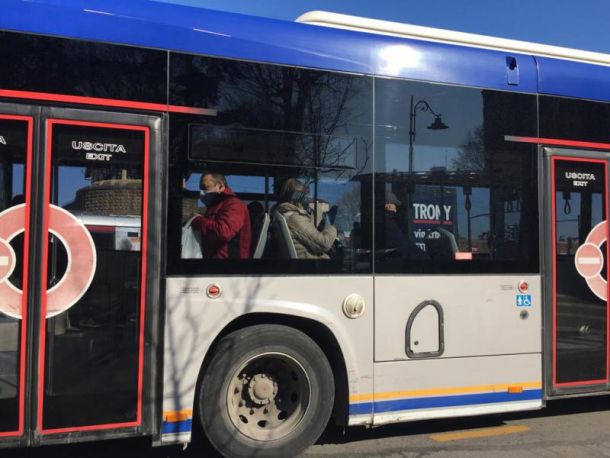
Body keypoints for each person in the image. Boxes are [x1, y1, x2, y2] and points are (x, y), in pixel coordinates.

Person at [190, 173, 251, 259]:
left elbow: (223, 232)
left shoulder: (234, 204)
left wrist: (198, 220)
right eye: (201, 188)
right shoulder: (215, 206)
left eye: (205, 188)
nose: (202, 192)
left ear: (221, 187)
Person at [274, 178, 337, 259]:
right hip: (310, 263)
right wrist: (329, 225)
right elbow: (324, 243)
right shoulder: (294, 218)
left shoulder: (284, 214)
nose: (307, 199)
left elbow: (305, 234)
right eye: (305, 195)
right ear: (297, 197)